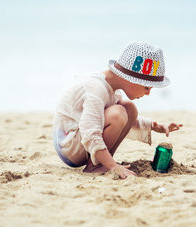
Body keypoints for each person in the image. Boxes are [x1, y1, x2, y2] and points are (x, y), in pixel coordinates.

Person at [52, 41, 183, 179]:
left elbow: (122, 119)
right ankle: (95, 166)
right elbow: (90, 131)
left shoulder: (111, 88)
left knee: (129, 109)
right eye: (147, 87)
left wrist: (154, 126)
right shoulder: (96, 89)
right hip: (69, 146)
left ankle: (103, 162)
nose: (148, 93)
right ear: (132, 79)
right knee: (119, 113)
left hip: (81, 142)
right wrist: (113, 167)